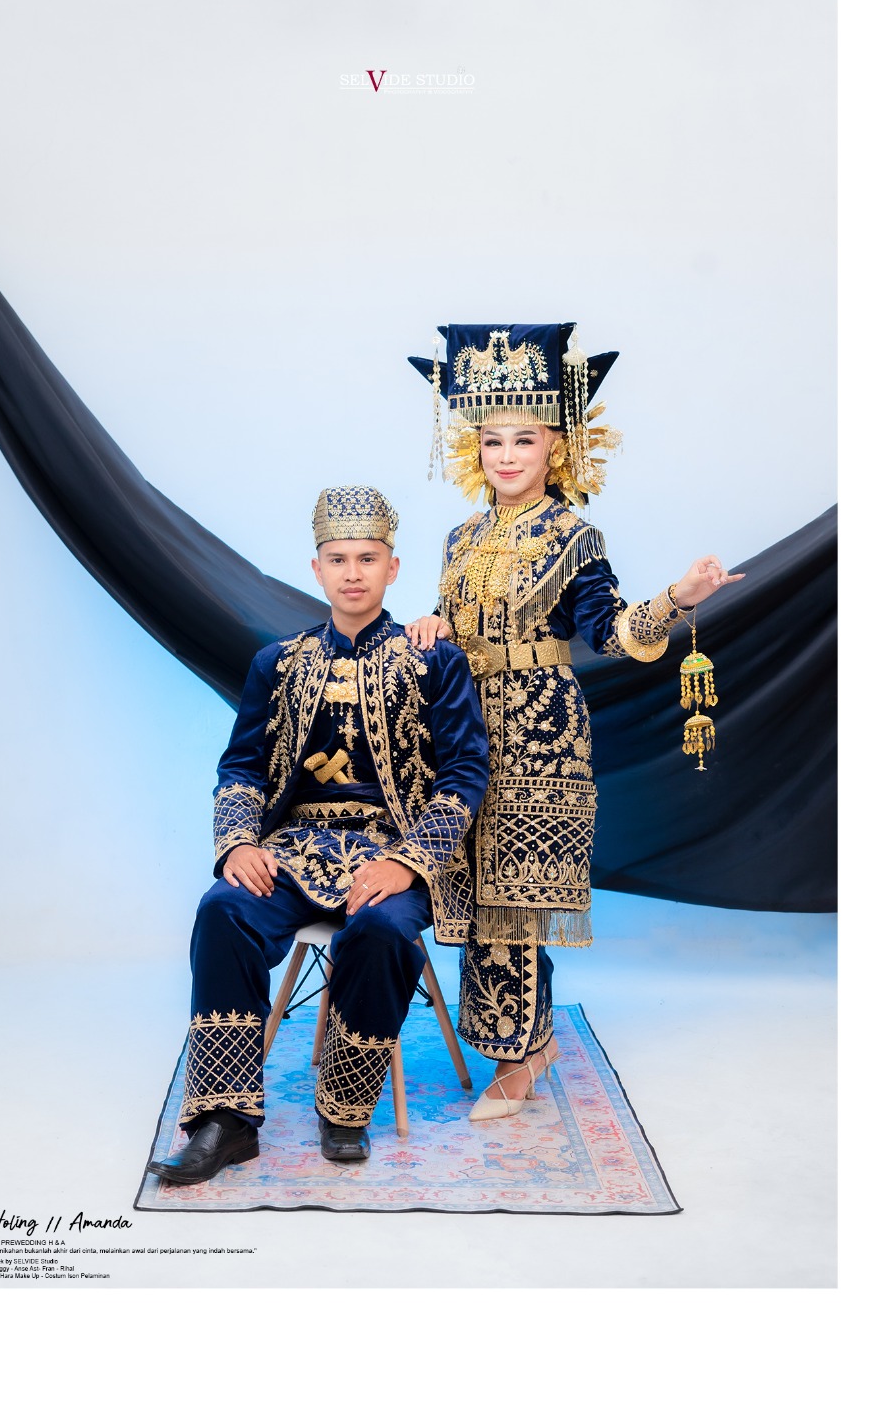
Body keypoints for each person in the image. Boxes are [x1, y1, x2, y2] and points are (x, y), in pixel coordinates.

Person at [405, 323, 743, 1121]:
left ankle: (516, 1059)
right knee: (476, 894)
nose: (507, 456)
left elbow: (613, 633)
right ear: (476, 448)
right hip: (463, 728)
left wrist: (679, 599)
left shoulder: (574, 537)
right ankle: (532, 1040)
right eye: (493, 441)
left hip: (539, 732)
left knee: (516, 900)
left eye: (524, 439)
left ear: (555, 446)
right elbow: (458, 618)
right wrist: (437, 623)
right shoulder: (460, 538)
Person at [148, 484, 489, 1183]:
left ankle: (346, 1108)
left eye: (368, 559)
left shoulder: (435, 662)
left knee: (383, 929)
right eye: (338, 559)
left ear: (392, 567)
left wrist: (410, 862)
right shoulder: (277, 662)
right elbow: (242, 767)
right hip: (292, 851)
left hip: (393, 852)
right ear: (317, 569)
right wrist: (238, 843)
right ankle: (224, 1121)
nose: (353, 573)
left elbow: (464, 774)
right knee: (223, 910)